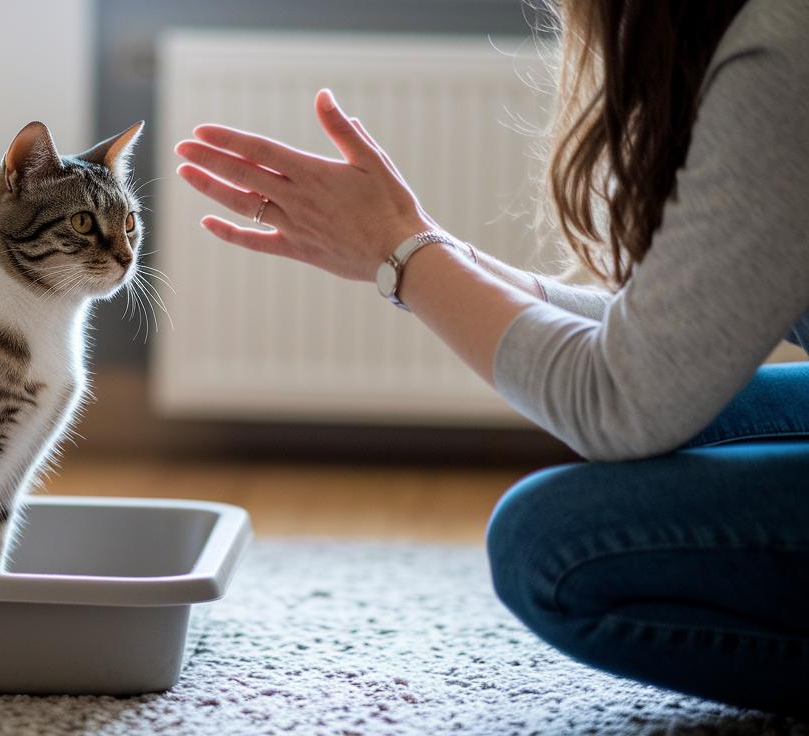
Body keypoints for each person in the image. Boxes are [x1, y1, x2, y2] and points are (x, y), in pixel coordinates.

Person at [174, 0, 808, 714]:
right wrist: (421, 248)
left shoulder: (781, 51)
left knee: (549, 545)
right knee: (687, 422)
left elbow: (620, 402)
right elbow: (663, 345)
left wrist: (404, 256)